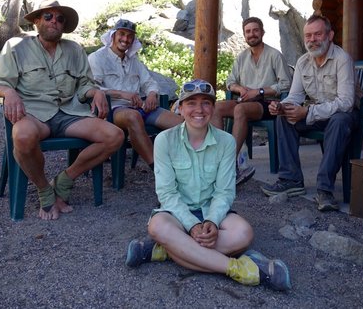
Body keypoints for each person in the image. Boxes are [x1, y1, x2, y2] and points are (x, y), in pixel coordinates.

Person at [124, 79, 291, 291]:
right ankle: (240, 268)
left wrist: (212, 219)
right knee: (157, 226)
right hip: (176, 214)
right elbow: (166, 193)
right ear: (180, 108)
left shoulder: (226, 142)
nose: (199, 110)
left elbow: (224, 192)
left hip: (211, 211)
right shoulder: (165, 140)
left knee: (244, 233)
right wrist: (191, 225)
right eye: (191, 103)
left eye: (206, 103)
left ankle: (169, 249)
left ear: (212, 108)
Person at [0, 0, 124, 220]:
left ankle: (64, 180)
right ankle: (44, 189)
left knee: (115, 135)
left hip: (70, 113)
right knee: (22, 136)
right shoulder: (16, 47)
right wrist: (9, 93)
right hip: (34, 114)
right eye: (48, 16)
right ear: (36, 21)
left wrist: (96, 92)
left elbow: (84, 84)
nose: (55, 21)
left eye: (60, 18)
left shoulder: (74, 49)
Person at [260, 15, 358, 212]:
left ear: (330, 35)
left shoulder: (342, 59)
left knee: (338, 121)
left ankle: (325, 190)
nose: (312, 40)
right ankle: (291, 179)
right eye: (308, 36)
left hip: (344, 116)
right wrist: (281, 106)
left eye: (317, 34)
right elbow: (295, 95)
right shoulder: (303, 61)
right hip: (316, 113)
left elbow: (346, 103)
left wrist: (307, 112)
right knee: (284, 118)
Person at [88, 19, 183, 171]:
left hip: (139, 107)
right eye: (122, 34)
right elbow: (92, 87)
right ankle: (159, 170)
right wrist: (121, 94)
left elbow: (149, 83)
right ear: (113, 35)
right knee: (133, 117)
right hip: (113, 110)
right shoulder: (97, 58)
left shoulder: (133, 61)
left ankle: (186, 166)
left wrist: (152, 95)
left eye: (130, 36)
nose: (125, 39)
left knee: (181, 124)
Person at [210, 17, 292, 185]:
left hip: (269, 104)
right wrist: (240, 89)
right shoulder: (241, 58)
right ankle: (219, 157)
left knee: (240, 110)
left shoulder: (274, 55)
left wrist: (260, 91)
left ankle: (230, 165)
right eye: (248, 31)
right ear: (244, 35)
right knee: (216, 107)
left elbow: (286, 84)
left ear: (262, 32)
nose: (252, 34)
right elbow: (230, 82)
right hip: (245, 100)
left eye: (255, 30)